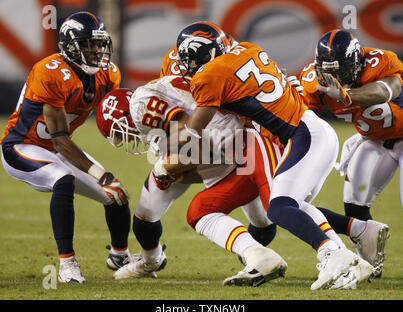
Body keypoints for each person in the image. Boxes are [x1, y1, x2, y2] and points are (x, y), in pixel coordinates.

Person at [152, 21, 376, 290]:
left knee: (279, 207)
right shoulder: (248, 49)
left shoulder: (208, 76)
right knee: (293, 206)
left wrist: (160, 135)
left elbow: (192, 133)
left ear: (201, 54)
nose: (186, 66)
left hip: (303, 136)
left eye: (188, 58)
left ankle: (331, 254)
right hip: (311, 130)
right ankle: (351, 258)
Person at [96, 81, 288, 286]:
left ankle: (259, 252)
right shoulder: (161, 95)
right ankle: (151, 261)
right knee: (148, 212)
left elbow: (197, 143)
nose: (125, 138)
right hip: (227, 140)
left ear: (125, 115)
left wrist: (170, 169)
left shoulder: (140, 106)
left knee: (270, 215)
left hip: (223, 140)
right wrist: (175, 170)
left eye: (119, 133)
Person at [0, 12, 133, 283]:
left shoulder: (109, 73)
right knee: (64, 179)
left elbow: (111, 113)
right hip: (23, 146)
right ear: (70, 46)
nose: (96, 51)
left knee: (116, 193)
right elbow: (59, 137)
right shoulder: (50, 71)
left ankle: (120, 255)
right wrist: (99, 175)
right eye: (88, 45)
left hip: (59, 148)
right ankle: (67, 263)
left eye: (99, 44)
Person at [299, 29, 399, 274]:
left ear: (356, 62)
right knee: (354, 200)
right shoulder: (314, 79)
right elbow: (303, 116)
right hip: (373, 140)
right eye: (328, 71)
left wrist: (346, 95)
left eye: (341, 71)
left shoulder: (380, 60)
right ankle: (369, 264)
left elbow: (387, 91)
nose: (334, 77)